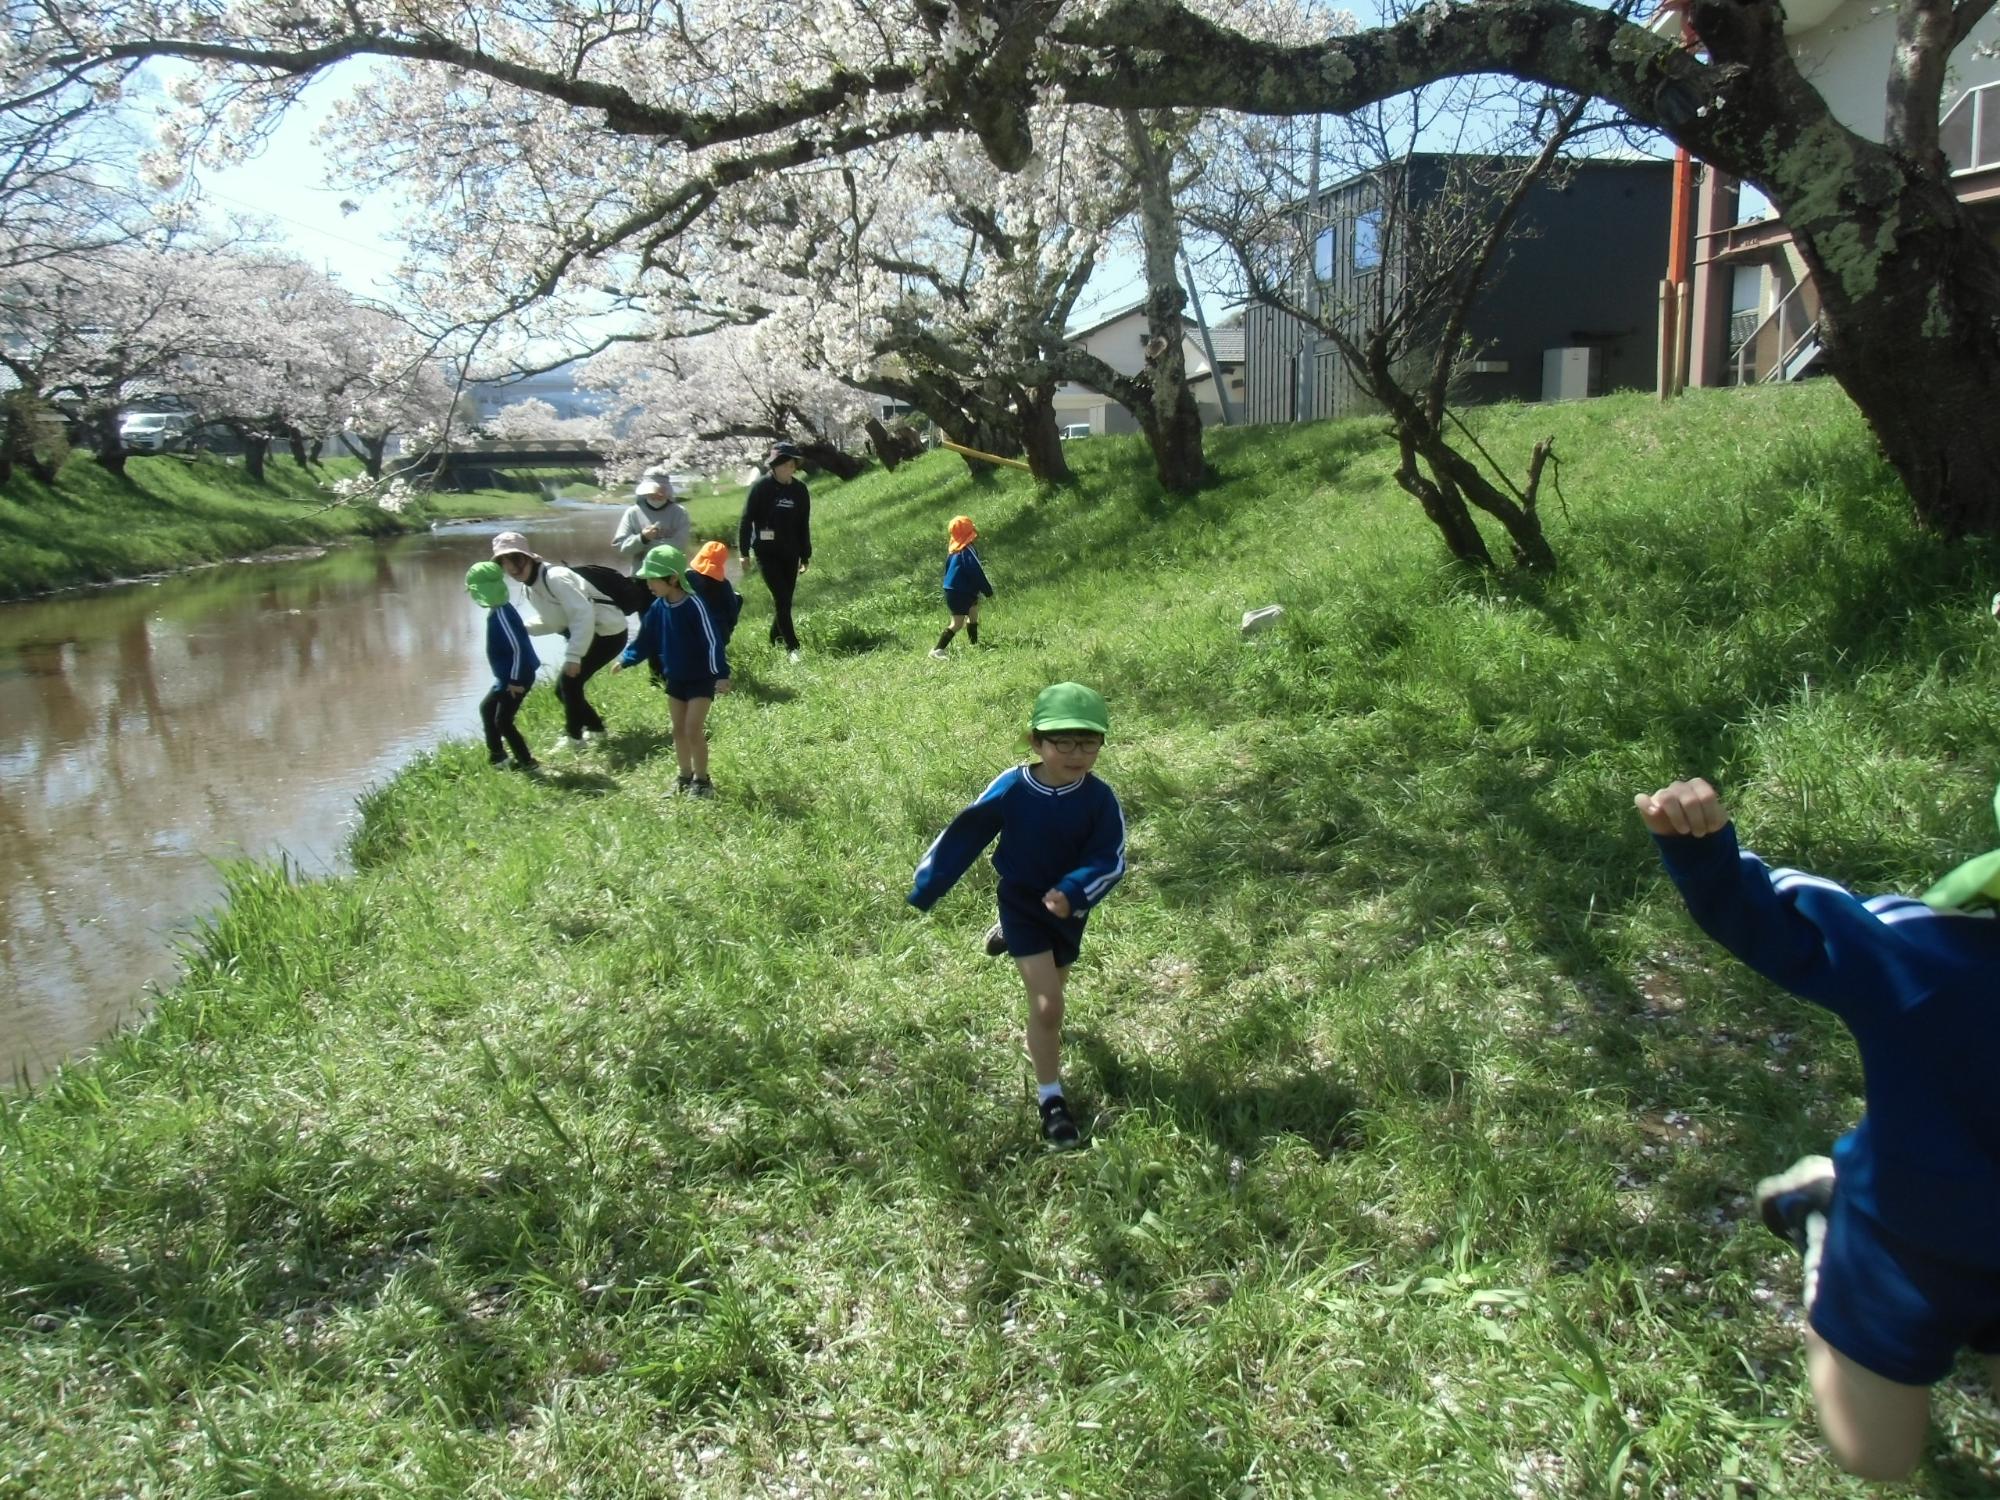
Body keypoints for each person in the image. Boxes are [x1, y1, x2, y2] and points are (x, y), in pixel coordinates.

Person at [1636, 775, 2000, 1483]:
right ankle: (1825, 1221)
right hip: (1905, 1243)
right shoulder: (1931, 959)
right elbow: (1790, 926)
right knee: (1875, 1457)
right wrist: (1704, 853)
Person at [907, 683, 1128, 1147]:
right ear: (1036, 742)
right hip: (1023, 902)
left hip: (1069, 908)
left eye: (1089, 742)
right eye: (1063, 741)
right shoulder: (1013, 787)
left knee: (1054, 996)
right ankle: (1052, 1101)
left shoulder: (1099, 799)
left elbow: (1111, 858)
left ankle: (1009, 939)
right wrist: (928, 885)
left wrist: (1073, 891)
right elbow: (964, 832)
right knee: (1048, 1007)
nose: (1076, 753)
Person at [490, 531, 629, 757]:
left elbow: (582, 615)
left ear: (528, 557)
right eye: (504, 563)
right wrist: (519, 629)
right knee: (563, 689)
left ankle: (575, 738)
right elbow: (554, 622)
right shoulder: (530, 587)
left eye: (515, 560)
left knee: (568, 684)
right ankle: (595, 729)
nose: (512, 569)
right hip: (589, 634)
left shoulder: (556, 577)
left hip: (608, 633)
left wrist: (574, 656)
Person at [613, 544, 731, 797]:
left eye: (653, 579)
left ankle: (702, 781)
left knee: (692, 728)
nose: (648, 585)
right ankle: (684, 776)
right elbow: (646, 638)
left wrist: (720, 674)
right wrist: (627, 658)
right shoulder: (658, 607)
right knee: (677, 729)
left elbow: (712, 641)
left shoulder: (693, 605)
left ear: (673, 578)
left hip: (701, 678)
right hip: (675, 678)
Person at [738, 440, 811, 662]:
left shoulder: (800, 490)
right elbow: (746, 520)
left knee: (786, 599)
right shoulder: (761, 488)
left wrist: (806, 554)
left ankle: (774, 639)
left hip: (791, 552)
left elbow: (803, 524)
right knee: (781, 597)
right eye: (785, 464)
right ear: (775, 465)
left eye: (793, 464)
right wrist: (743, 552)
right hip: (766, 552)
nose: (790, 468)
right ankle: (793, 647)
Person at [464, 561, 540, 772]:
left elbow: (518, 649)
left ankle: (528, 763)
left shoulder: (502, 615)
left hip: (516, 677)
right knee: (487, 709)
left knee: (503, 721)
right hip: (507, 677)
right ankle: (498, 757)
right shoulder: (500, 609)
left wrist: (515, 681)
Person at [931, 514, 994, 659]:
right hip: (959, 592)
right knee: (957, 623)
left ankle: (974, 644)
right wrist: (987, 590)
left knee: (973, 613)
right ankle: (937, 650)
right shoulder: (967, 551)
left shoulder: (954, 551)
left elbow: (948, 571)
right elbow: (976, 571)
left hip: (958, 590)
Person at [613, 475, 691, 564]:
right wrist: (642, 538)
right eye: (652, 491)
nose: (657, 494)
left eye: (662, 490)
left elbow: (680, 544)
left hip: (671, 573)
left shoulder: (680, 512)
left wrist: (646, 545)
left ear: (668, 491)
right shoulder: (633, 512)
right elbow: (621, 546)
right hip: (640, 573)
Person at [685, 541, 743, 646]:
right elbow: (732, 614)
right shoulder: (725, 584)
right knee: (738, 598)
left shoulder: (688, 577)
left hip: (692, 635)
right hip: (720, 635)